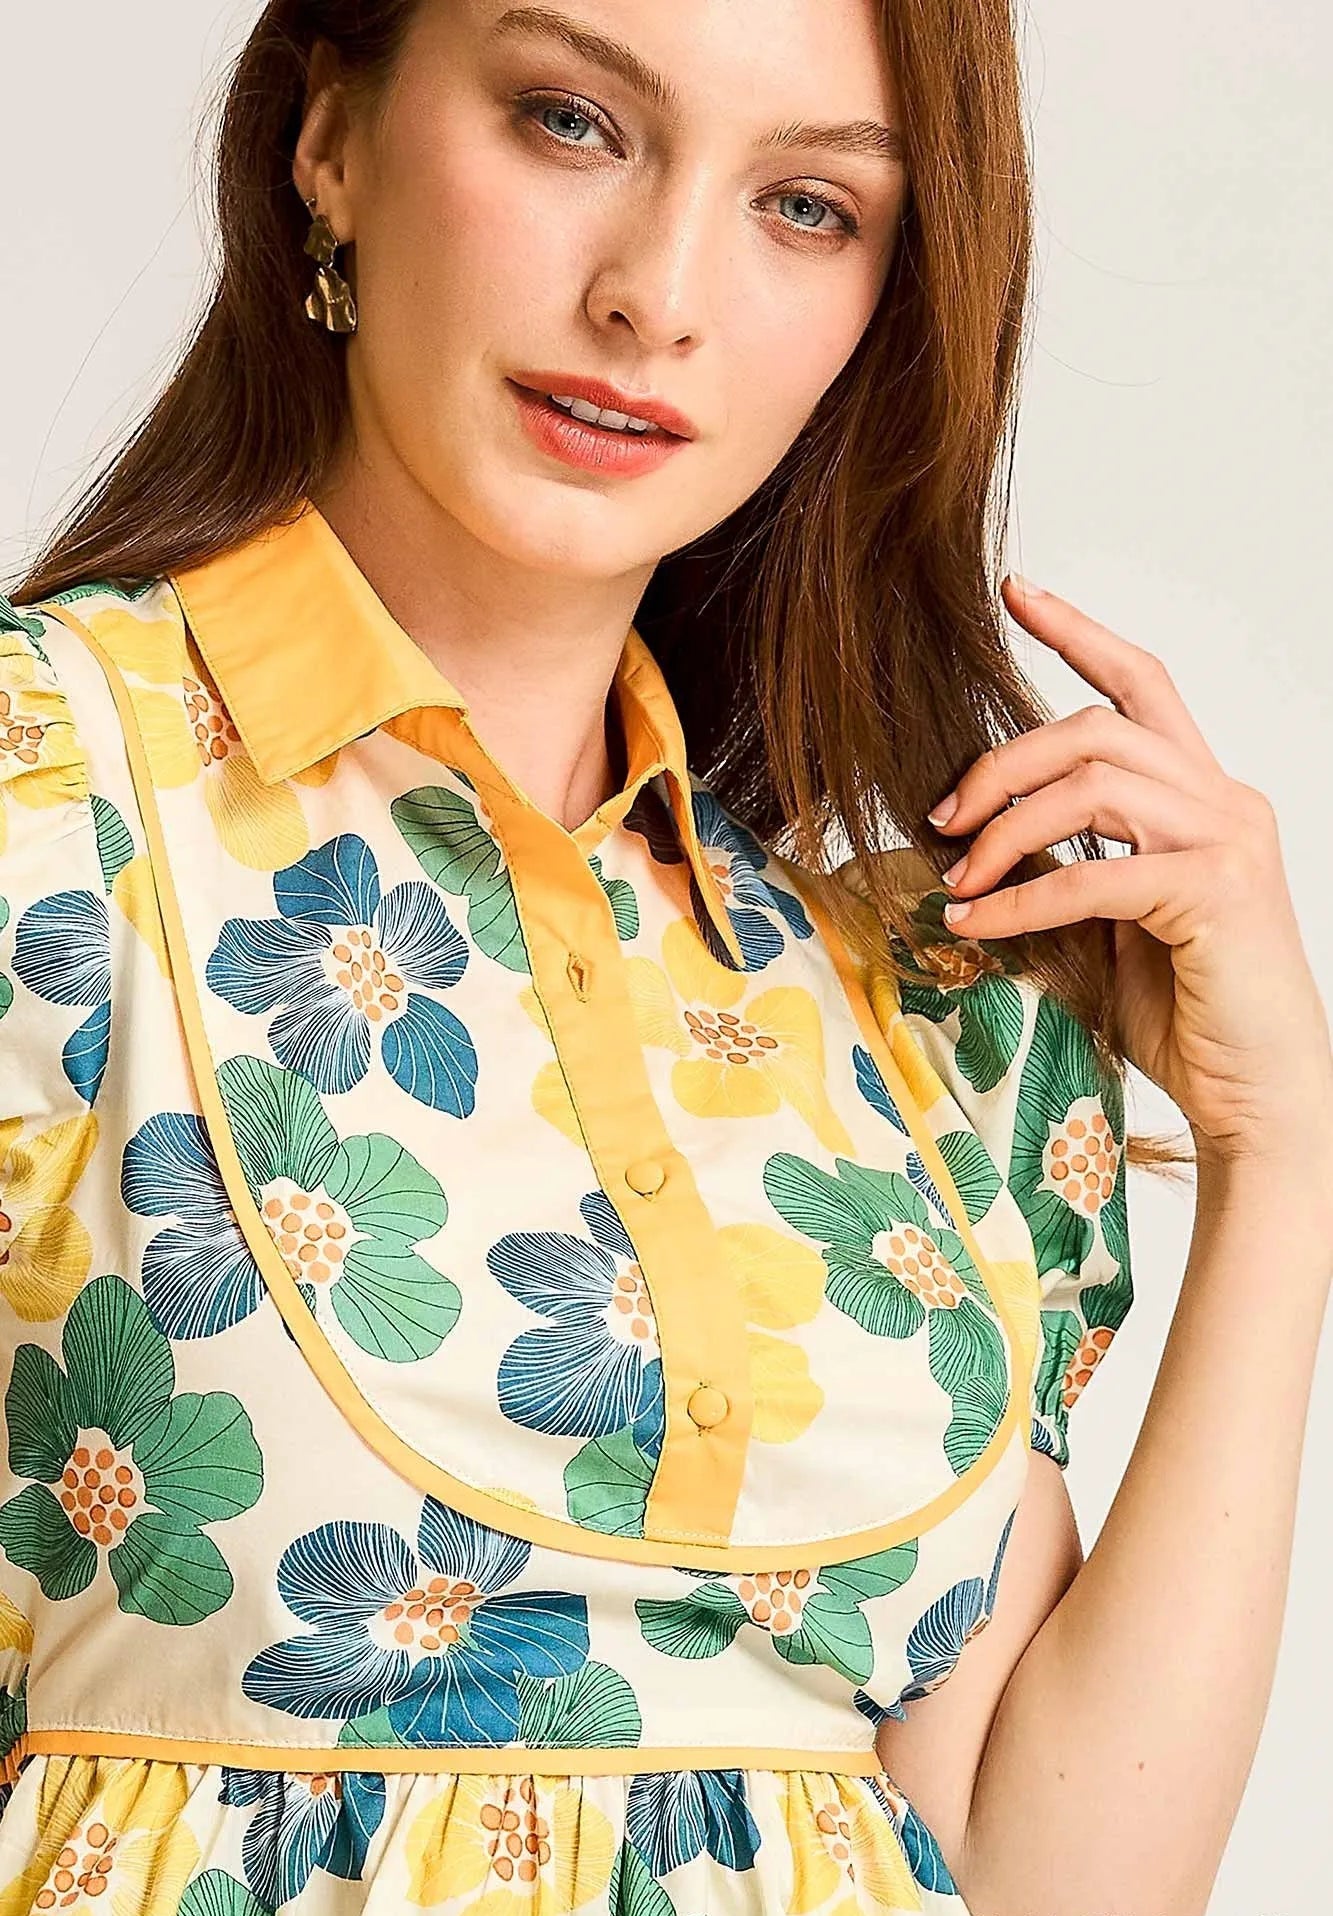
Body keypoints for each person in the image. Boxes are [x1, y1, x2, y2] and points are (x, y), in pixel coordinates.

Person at [1, 1, 1329, 1912]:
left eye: (804, 204)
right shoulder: (54, 809)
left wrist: (1284, 1161)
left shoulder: (899, 1006)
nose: (659, 294)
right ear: (331, 141)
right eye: (567, 120)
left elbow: (1057, 1889)